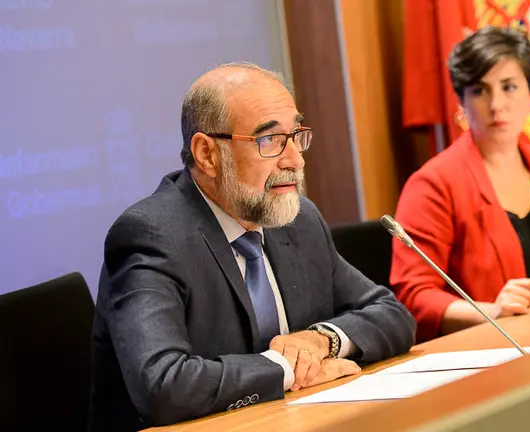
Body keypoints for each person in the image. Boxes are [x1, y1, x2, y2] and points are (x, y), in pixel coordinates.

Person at [89, 63, 416, 431]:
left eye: (296, 135)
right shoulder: (150, 235)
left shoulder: (298, 218)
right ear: (207, 154)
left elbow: (392, 315)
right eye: (270, 140)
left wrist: (322, 340)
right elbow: (162, 386)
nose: (295, 160)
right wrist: (288, 369)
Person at [390, 27, 530, 342]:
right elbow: (413, 296)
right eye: (480, 91)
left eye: (509, 87)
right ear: (462, 102)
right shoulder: (432, 185)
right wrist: (492, 312)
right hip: (493, 352)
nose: (496, 104)